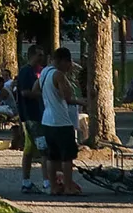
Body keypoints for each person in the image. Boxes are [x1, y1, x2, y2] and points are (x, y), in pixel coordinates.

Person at [36, 46, 83, 196]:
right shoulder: (59, 75)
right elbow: (67, 97)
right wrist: (83, 102)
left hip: (47, 120)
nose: (69, 67)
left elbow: (35, 89)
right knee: (67, 157)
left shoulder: (44, 72)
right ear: (63, 61)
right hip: (61, 121)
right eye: (69, 63)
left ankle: (53, 187)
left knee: (52, 156)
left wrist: (47, 96)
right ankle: (68, 186)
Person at [16, 45, 50, 195]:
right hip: (32, 116)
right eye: (39, 55)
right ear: (32, 56)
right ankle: (47, 182)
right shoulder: (26, 72)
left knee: (29, 150)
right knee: (44, 150)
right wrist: (42, 95)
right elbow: (24, 92)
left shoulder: (36, 72)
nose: (42, 58)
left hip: (34, 116)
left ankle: (26, 182)